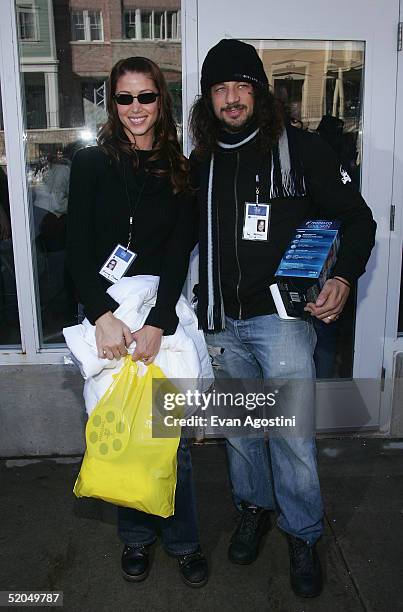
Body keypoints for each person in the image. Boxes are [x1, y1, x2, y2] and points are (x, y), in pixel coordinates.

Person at [189, 39, 376, 598]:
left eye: (241, 86)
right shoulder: (201, 162)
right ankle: (254, 511)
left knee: (291, 436)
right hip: (222, 322)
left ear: (259, 92)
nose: (230, 99)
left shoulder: (301, 150)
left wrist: (343, 278)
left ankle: (303, 534)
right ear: (207, 100)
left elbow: (357, 219)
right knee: (244, 436)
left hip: (282, 322)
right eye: (219, 89)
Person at [67, 56, 207, 588]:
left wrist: (160, 323)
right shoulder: (91, 163)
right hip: (105, 313)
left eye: (145, 97)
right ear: (113, 102)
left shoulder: (182, 168)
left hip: (160, 311)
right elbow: (77, 247)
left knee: (168, 437)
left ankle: (184, 540)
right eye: (124, 99)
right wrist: (101, 316)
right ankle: (136, 539)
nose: (135, 109)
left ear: (161, 101)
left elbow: (178, 252)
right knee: (117, 433)